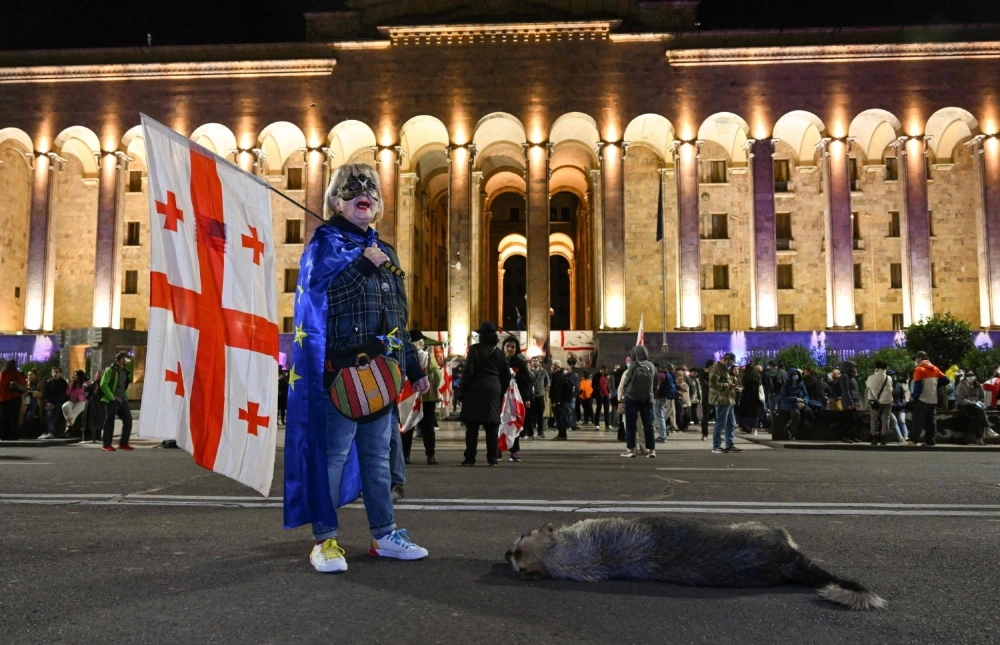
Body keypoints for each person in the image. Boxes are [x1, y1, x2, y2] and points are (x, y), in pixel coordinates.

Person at [283, 162, 431, 574]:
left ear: (378, 203)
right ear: (335, 201)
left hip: (381, 377)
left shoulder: (386, 252)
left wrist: (413, 367)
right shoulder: (324, 245)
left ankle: (385, 535)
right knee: (332, 458)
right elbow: (318, 301)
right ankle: (324, 540)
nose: (363, 192)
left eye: (371, 188)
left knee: (378, 459)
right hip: (340, 377)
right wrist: (362, 266)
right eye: (352, 187)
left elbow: (397, 319)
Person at [459, 322, 510, 465]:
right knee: (492, 425)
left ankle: (470, 458)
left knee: (472, 426)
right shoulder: (499, 353)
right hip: (493, 388)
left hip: (475, 388)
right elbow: (506, 376)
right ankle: (492, 458)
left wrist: (462, 389)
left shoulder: (474, 349)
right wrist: (500, 390)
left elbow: (468, 371)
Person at [618, 345, 657, 458]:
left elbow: (626, 381)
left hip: (632, 398)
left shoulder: (634, 365)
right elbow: (656, 383)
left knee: (630, 424)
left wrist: (625, 393)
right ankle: (651, 450)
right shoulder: (651, 365)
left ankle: (631, 449)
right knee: (648, 424)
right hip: (647, 398)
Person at [411, 330, 441, 465]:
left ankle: (405, 455)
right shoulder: (428, 356)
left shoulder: (405, 355)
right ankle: (430, 455)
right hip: (426, 395)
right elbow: (437, 374)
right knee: (428, 425)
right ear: (421, 343)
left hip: (409, 395)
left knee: (407, 425)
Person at [502, 334, 531, 462]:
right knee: (500, 423)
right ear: (503, 347)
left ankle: (514, 451)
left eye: (513, 347)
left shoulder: (520, 363)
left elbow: (527, 380)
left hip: (515, 399)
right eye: (507, 346)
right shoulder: (499, 361)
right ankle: (497, 450)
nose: (510, 349)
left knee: (514, 423)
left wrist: (515, 376)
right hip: (501, 398)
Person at [910, 351, 946, 447]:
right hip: (933, 399)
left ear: (920, 358)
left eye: (916, 358)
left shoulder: (919, 369)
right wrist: (935, 385)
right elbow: (946, 380)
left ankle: (913, 440)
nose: (916, 360)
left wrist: (914, 397)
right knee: (931, 421)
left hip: (922, 399)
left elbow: (918, 386)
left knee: (917, 420)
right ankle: (930, 441)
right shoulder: (935, 368)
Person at [99, 352, 134, 451]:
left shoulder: (125, 371)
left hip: (122, 400)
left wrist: (125, 396)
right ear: (121, 360)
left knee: (128, 421)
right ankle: (106, 445)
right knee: (109, 422)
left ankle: (123, 443)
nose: (127, 361)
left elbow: (124, 386)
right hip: (112, 400)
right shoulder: (110, 370)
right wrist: (111, 397)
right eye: (126, 359)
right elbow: (103, 384)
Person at [709, 352, 741, 454]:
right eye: (730, 362)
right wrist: (728, 385)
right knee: (720, 423)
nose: (731, 364)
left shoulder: (724, 368)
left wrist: (733, 387)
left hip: (729, 399)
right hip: (721, 400)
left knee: (731, 423)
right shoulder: (716, 368)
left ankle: (729, 445)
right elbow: (713, 384)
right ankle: (716, 446)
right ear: (725, 359)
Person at [955, 370, 993, 445]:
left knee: (975, 417)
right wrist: (968, 402)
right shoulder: (961, 386)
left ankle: (980, 438)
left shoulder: (978, 386)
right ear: (965, 377)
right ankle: (988, 429)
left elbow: (982, 398)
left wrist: (979, 402)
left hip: (975, 407)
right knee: (979, 410)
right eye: (968, 375)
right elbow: (960, 399)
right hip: (964, 406)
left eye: (972, 375)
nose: (970, 377)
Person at [865, 361, 894, 446]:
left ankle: (874, 438)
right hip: (887, 401)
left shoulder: (871, 378)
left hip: (875, 402)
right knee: (885, 419)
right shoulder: (889, 378)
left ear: (876, 368)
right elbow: (891, 388)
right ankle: (884, 439)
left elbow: (868, 388)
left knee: (874, 419)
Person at [780, 368, 814, 440]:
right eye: (793, 375)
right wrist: (795, 399)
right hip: (790, 404)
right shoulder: (786, 386)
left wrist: (804, 401)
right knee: (796, 414)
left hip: (801, 403)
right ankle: (792, 431)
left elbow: (806, 395)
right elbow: (784, 398)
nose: (795, 376)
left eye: (796, 374)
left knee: (808, 411)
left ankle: (806, 429)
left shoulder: (801, 384)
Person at [40, 366, 69, 440]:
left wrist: (55, 404)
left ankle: (50, 432)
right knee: (49, 413)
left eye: (57, 372)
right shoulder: (49, 383)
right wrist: (48, 402)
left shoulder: (63, 383)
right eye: (53, 372)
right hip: (50, 403)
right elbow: (46, 395)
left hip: (59, 403)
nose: (55, 373)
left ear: (60, 373)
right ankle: (49, 431)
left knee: (54, 413)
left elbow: (64, 396)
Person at [0, 360, 27, 440]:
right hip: (14, 398)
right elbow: (22, 384)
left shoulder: (2, 374)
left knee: (4, 417)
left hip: (3, 399)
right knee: (13, 417)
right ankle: (13, 435)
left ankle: (3, 435)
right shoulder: (16, 374)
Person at [838, 361, 862, 443]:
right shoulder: (844, 376)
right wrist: (850, 402)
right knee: (850, 419)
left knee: (855, 419)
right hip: (849, 401)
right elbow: (846, 390)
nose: (854, 369)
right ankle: (845, 436)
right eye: (853, 367)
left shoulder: (852, 377)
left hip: (855, 400)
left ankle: (852, 435)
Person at [549, 360, 572, 440]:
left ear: (557, 366)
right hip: (560, 400)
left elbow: (557, 389)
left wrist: (554, 401)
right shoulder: (559, 374)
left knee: (559, 417)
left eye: (553, 364)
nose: (552, 366)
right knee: (560, 416)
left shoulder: (558, 375)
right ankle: (562, 434)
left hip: (559, 400)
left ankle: (562, 434)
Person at [653, 364, 676, 442]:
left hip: (658, 398)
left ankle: (663, 436)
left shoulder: (659, 375)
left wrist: (652, 393)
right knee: (661, 416)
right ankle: (663, 435)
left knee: (659, 417)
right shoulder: (666, 374)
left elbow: (657, 387)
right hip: (663, 397)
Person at [737, 364, 763, 435]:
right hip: (755, 396)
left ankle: (741, 427)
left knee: (743, 412)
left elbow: (743, 385)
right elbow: (759, 385)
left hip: (745, 396)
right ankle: (754, 429)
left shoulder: (745, 376)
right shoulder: (757, 376)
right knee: (755, 413)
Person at [62, 370, 89, 435]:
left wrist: (78, 398)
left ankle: (68, 428)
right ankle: (70, 426)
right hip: (72, 400)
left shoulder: (86, 383)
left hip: (82, 401)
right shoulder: (73, 383)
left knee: (74, 412)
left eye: (76, 375)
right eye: (73, 375)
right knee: (65, 407)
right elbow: (68, 394)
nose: (74, 376)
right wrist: (69, 385)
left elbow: (86, 394)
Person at [528, 356, 548, 439]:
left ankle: (540, 432)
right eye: (533, 361)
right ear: (531, 363)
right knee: (530, 415)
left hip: (540, 396)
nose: (535, 362)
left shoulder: (543, 372)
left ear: (539, 362)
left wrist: (542, 390)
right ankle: (530, 433)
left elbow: (547, 382)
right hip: (530, 397)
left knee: (540, 415)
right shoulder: (528, 372)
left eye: (536, 361)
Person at [21, 370, 43, 440]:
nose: (29, 376)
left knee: (29, 416)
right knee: (25, 416)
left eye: (31, 375)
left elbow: (41, 394)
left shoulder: (40, 383)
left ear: (35, 376)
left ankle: (28, 434)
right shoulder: (26, 383)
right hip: (26, 403)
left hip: (36, 402)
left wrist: (32, 393)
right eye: (28, 375)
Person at [889, 369, 910, 443]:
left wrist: (903, 403)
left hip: (900, 407)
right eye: (893, 375)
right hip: (891, 407)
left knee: (902, 421)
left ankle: (906, 436)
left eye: (895, 375)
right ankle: (900, 437)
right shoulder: (887, 386)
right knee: (894, 421)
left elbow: (902, 396)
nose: (894, 376)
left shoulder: (899, 385)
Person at [592, 365, 611, 431]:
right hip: (600, 394)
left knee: (607, 410)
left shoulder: (606, 376)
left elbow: (608, 385)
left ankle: (607, 424)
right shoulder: (596, 376)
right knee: (598, 409)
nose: (606, 372)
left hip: (606, 394)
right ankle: (597, 424)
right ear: (602, 369)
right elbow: (593, 385)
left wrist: (609, 392)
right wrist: (598, 391)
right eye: (605, 370)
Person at [699, 361, 713, 441]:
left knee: (718, 414)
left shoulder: (714, 373)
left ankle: (704, 421)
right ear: (710, 366)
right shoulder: (702, 374)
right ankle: (705, 433)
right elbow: (705, 384)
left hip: (715, 397)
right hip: (707, 397)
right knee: (706, 415)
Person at [675, 365, 691, 431]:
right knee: (681, 414)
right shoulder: (677, 383)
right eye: (678, 375)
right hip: (681, 401)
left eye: (680, 375)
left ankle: (683, 426)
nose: (679, 377)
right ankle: (682, 426)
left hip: (684, 401)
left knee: (684, 414)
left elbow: (684, 392)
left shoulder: (684, 384)